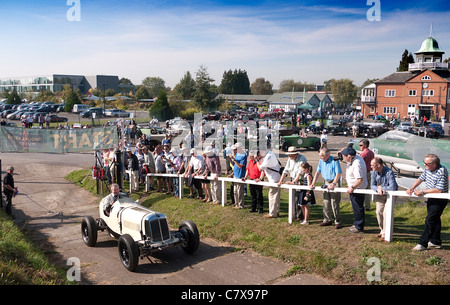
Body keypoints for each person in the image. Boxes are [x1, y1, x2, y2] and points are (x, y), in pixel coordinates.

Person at [406, 154, 448, 251]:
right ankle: (435, 241)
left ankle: (423, 243)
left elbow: (439, 190)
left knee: (430, 219)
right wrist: (411, 188)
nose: (425, 165)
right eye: (424, 163)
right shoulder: (427, 169)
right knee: (435, 220)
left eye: (427, 164)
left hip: (440, 199)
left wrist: (422, 191)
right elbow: (421, 178)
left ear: (434, 164)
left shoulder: (442, 170)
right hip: (431, 198)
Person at [309, 148, 343, 229]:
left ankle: (338, 221)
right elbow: (317, 172)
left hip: (334, 181)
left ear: (327, 155)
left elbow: (338, 173)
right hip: (326, 181)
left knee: (334, 203)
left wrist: (334, 184)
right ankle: (327, 219)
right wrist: (312, 183)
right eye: (320, 157)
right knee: (326, 202)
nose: (321, 158)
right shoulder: (321, 161)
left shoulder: (335, 160)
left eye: (322, 157)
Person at [370, 157, 398, 241]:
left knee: (386, 213)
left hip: (390, 195)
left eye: (372, 165)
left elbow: (392, 187)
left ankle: (386, 234)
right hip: (380, 194)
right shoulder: (374, 172)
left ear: (378, 165)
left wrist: (382, 188)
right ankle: (382, 230)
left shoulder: (389, 172)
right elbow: (372, 185)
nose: (371, 166)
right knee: (378, 212)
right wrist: (377, 189)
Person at [341, 146, 368, 233]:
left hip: (357, 188)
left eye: (345, 155)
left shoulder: (357, 163)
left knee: (358, 207)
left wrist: (352, 187)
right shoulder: (355, 159)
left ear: (350, 156)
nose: (343, 157)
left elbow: (359, 179)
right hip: (355, 188)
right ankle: (357, 224)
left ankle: (359, 226)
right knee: (356, 207)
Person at [277, 146, 306, 219]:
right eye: (288, 155)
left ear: (296, 154)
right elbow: (286, 170)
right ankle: (294, 214)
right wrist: (280, 181)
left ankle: (300, 216)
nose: (289, 156)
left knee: (299, 198)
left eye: (291, 155)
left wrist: (294, 182)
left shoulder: (302, 159)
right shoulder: (290, 159)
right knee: (293, 197)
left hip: (300, 180)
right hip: (293, 178)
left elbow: (300, 173)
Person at [258, 149, 281, 218]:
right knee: (276, 197)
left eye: (259, 154)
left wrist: (257, 160)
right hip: (276, 178)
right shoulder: (270, 154)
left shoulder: (268, 156)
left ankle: (272, 213)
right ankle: (276, 212)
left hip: (274, 180)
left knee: (272, 196)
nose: (258, 155)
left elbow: (260, 168)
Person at [229, 143, 248, 209]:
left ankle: (241, 205)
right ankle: (236, 203)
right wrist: (232, 173)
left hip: (240, 175)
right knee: (235, 191)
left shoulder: (244, 155)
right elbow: (235, 166)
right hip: (235, 174)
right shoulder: (237, 154)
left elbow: (240, 166)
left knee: (240, 191)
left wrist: (234, 159)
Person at [359, 139, 374, 210]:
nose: (360, 147)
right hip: (369, 172)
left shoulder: (363, 154)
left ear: (365, 146)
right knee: (368, 189)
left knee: (360, 189)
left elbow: (359, 162)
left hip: (363, 173)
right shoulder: (371, 153)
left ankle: (360, 205)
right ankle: (367, 206)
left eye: (361, 145)